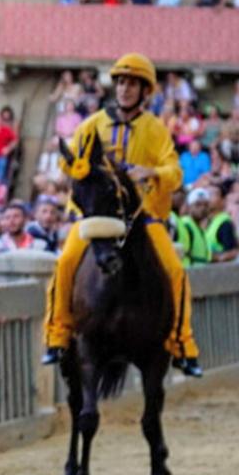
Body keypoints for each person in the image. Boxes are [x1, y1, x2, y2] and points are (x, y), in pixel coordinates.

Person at [41, 53, 202, 376]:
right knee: (66, 261)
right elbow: (68, 162)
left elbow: (175, 172)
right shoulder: (92, 124)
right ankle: (57, 335)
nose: (125, 89)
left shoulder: (156, 129)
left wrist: (153, 171)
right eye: (121, 82)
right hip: (97, 217)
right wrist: (77, 165)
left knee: (174, 270)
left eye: (133, 84)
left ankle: (182, 343)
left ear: (145, 91)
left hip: (142, 217)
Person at [177, 188, 212, 267]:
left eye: (206, 205)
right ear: (189, 206)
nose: (202, 208)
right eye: (198, 204)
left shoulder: (198, 227)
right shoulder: (186, 225)